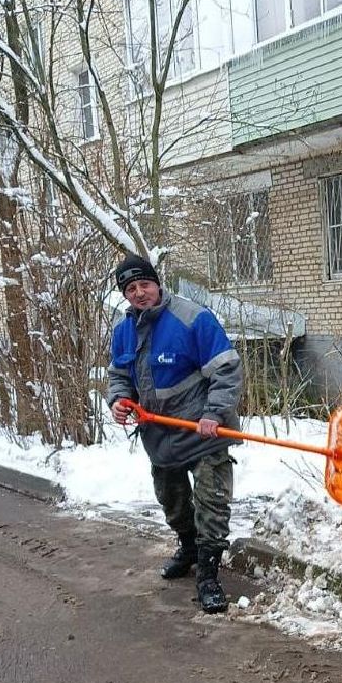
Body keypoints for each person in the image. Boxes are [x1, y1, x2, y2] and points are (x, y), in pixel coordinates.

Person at [106, 253, 242, 614]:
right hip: (160, 433)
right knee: (172, 500)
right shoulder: (123, 332)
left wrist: (214, 413)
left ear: (157, 283)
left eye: (144, 284)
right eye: (130, 288)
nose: (139, 293)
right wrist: (119, 401)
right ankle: (189, 547)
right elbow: (119, 376)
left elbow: (225, 370)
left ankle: (209, 574)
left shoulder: (192, 317)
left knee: (212, 503)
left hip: (203, 431)